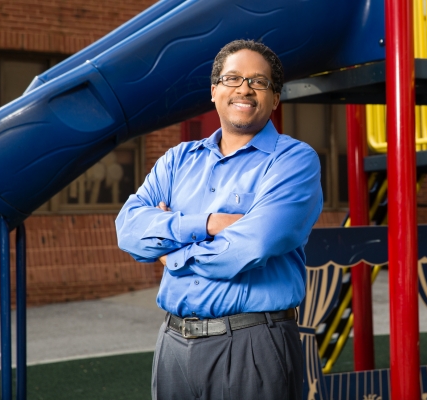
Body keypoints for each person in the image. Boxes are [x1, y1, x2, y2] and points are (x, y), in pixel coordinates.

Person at [116, 39, 323, 400]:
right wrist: (208, 223)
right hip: (173, 343)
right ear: (214, 91)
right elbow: (129, 230)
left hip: (253, 345)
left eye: (259, 82)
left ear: (275, 98)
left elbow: (252, 245)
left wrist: (169, 253)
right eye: (232, 78)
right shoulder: (177, 160)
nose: (244, 89)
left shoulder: (293, 161)